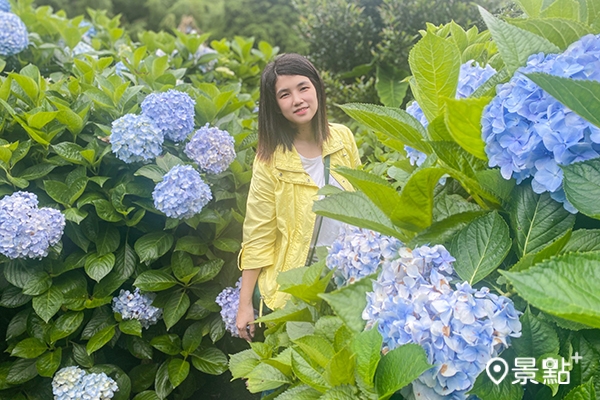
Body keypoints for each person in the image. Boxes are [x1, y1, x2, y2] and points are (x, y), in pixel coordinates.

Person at [235, 53, 361, 341]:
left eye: (303, 87)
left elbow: (363, 206)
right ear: (275, 106)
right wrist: (245, 305)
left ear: (316, 87)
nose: (298, 100)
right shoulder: (269, 161)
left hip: (349, 282)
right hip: (296, 289)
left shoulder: (343, 139)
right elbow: (258, 235)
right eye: (284, 94)